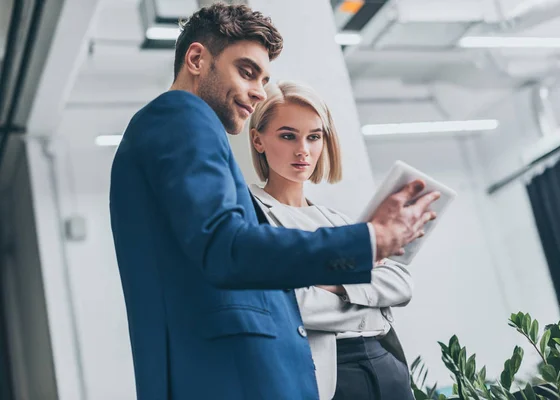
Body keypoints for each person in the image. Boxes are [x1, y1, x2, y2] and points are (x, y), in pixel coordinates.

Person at [109, 3, 439, 400]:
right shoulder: (182, 116)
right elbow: (228, 248)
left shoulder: (170, 126)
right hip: (228, 374)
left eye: (263, 78)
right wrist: (367, 241)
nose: (258, 92)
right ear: (197, 58)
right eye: (246, 72)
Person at [249, 81, 416, 400]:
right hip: (331, 374)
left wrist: (334, 284)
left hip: (386, 364)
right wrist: (370, 301)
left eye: (314, 137)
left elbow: (400, 282)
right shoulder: (252, 215)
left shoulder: (335, 220)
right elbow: (290, 306)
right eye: (288, 136)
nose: (303, 150)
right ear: (258, 140)